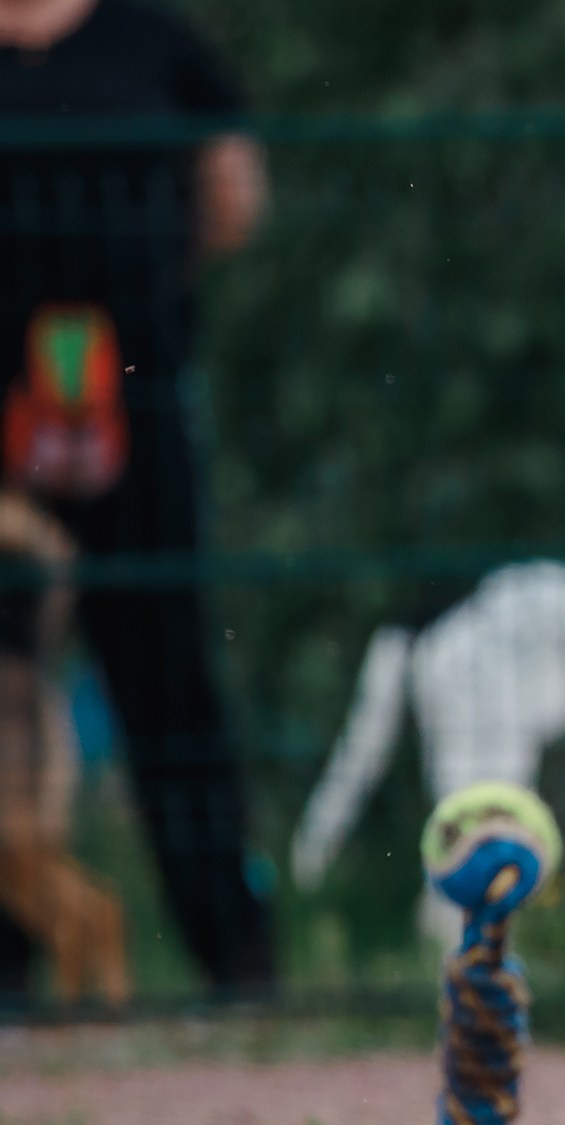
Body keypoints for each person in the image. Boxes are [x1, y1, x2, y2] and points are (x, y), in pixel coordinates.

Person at [0, 0, 273, 1001]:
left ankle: (235, 954)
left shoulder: (155, 38)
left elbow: (232, 199)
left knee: (166, 670)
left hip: (135, 393)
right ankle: (10, 969)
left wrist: (143, 286)